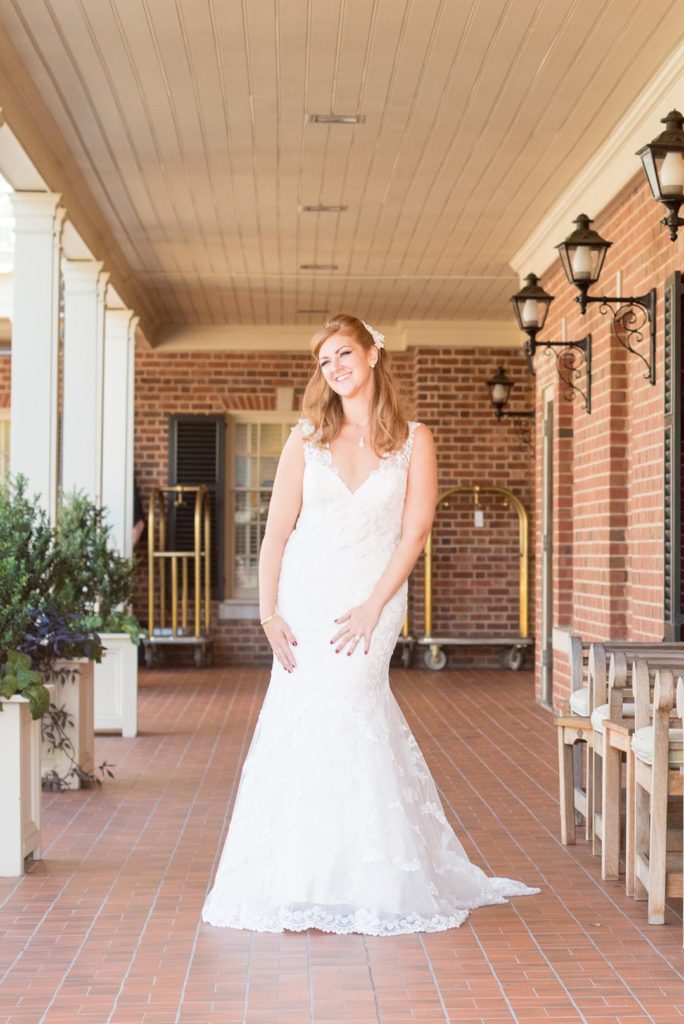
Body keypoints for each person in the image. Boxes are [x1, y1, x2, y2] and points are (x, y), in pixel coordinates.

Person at [202, 314, 539, 935]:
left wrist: (373, 605)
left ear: (372, 355)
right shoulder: (304, 439)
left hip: (372, 601)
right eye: (325, 360)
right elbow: (275, 533)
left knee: (355, 707)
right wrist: (267, 612)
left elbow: (413, 535)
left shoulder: (415, 438)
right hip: (304, 602)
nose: (335, 368)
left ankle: (373, 879)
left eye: (344, 353)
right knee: (301, 724)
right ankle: (299, 878)